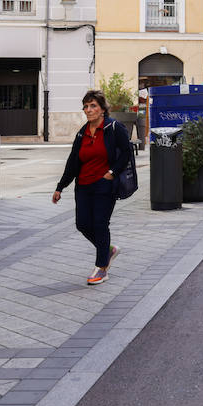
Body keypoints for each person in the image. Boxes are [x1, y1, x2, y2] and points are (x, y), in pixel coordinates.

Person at [53, 90, 134, 286]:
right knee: (82, 224)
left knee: (99, 224)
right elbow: (73, 161)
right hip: (83, 185)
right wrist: (60, 187)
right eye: (86, 106)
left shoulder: (114, 128)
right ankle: (108, 250)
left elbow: (126, 153)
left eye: (93, 106)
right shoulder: (82, 132)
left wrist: (112, 173)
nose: (88, 110)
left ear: (102, 109)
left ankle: (101, 268)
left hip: (104, 185)